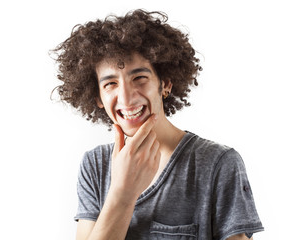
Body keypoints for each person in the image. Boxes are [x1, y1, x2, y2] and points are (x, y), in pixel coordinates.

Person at [52, 9, 264, 240]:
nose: (126, 97)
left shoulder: (217, 163)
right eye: (110, 83)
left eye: (139, 78)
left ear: (166, 84)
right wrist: (123, 192)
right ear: (98, 98)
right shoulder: (95, 165)